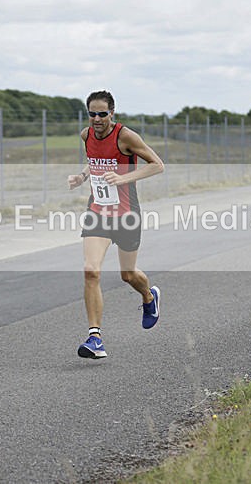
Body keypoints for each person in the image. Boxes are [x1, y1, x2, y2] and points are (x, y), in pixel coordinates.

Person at [67, 90, 165, 359]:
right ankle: (95, 338)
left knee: (128, 274)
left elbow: (157, 165)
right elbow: (94, 162)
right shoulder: (86, 135)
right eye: (92, 114)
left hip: (126, 214)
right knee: (91, 271)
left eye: (102, 114)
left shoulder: (125, 136)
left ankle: (149, 297)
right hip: (97, 211)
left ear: (112, 113)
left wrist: (123, 178)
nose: (97, 119)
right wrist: (82, 177)